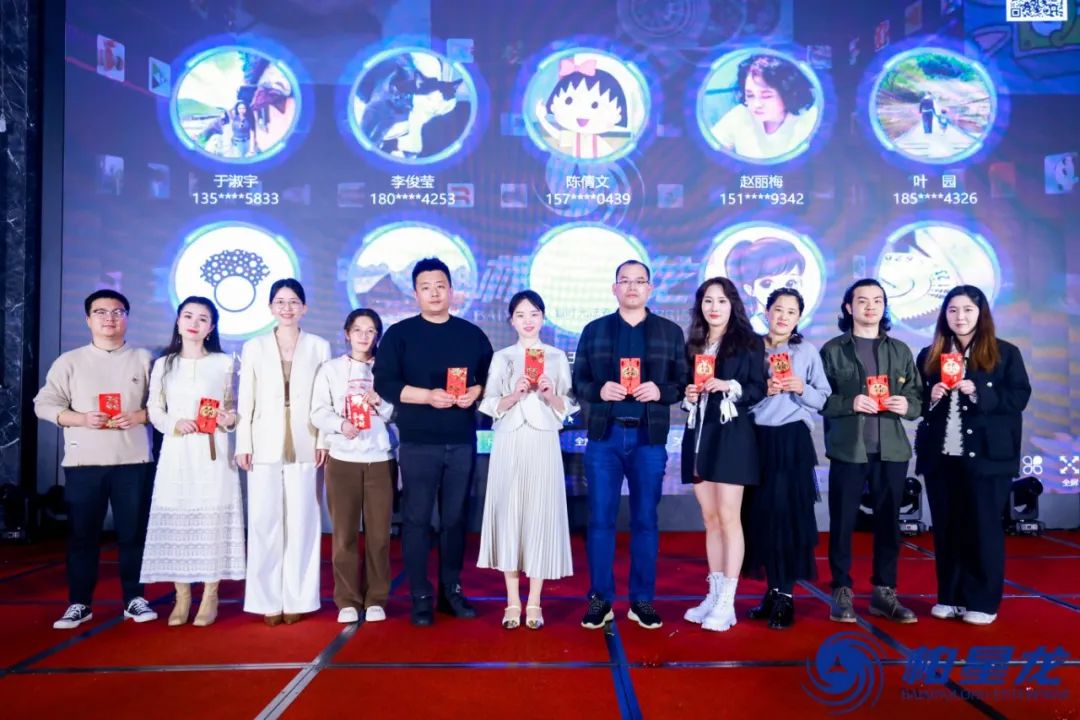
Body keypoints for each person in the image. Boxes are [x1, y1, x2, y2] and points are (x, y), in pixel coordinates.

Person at [374, 257, 493, 626]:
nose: (434, 293)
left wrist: (476, 391)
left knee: (455, 519)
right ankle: (420, 595)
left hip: (461, 440)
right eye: (426, 287)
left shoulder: (471, 334)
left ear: (451, 290)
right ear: (415, 294)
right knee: (417, 519)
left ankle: (451, 590)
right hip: (418, 442)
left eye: (440, 286)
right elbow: (384, 383)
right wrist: (427, 396)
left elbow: (491, 378)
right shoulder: (400, 334)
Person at [34, 289, 158, 629]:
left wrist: (140, 416)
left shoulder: (144, 359)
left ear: (127, 318)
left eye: (117, 312)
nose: (109, 318)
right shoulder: (70, 361)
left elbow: (165, 406)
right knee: (82, 535)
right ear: (88, 319)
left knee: (133, 533)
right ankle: (79, 603)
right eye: (101, 312)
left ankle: (135, 598)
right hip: (84, 464)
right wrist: (80, 418)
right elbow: (43, 404)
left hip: (133, 461)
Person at [573, 260, 687, 630]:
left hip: (648, 438)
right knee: (600, 520)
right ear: (614, 288)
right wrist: (599, 390)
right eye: (625, 281)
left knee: (645, 520)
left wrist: (660, 391)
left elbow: (683, 383)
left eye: (640, 281)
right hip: (604, 437)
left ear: (650, 289)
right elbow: (579, 381)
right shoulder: (595, 330)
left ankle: (642, 600)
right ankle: (600, 599)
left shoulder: (669, 332)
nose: (632, 287)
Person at [915, 286, 1031, 625]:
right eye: (952, 310)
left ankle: (982, 601)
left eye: (967, 309)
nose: (960, 317)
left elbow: (1019, 397)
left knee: (982, 527)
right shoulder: (930, 355)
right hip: (942, 455)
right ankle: (950, 597)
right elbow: (915, 402)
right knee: (947, 527)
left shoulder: (1005, 353)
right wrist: (931, 396)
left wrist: (979, 392)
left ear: (981, 314)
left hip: (987, 456)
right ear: (944, 315)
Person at [820, 279, 922, 624]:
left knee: (889, 524)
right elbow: (821, 399)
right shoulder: (833, 350)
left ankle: (884, 592)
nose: (870, 306)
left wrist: (907, 405)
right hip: (849, 450)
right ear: (849, 308)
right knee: (843, 523)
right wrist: (849, 402)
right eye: (862, 301)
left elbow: (917, 398)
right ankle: (841, 592)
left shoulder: (900, 350)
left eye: (878, 300)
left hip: (892, 451)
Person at [140, 297, 245, 627]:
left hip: (213, 452)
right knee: (179, 519)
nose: (194, 323)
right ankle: (182, 595)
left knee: (212, 520)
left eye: (202, 318)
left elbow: (235, 408)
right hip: (177, 450)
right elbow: (154, 409)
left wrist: (229, 418)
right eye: (188, 316)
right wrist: (174, 423)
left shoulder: (225, 362)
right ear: (178, 321)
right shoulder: (164, 364)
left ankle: (211, 595)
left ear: (211, 327)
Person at [478, 290, 576, 631]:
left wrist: (550, 395)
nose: (528, 320)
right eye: (521, 315)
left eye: (534, 314)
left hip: (543, 439)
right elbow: (488, 403)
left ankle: (534, 600)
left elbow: (569, 404)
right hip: (509, 438)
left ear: (543, 318)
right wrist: (512, 395)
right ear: (512, 321)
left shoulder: (556, 357)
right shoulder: (501, 358)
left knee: (539, 514)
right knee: (510, 514)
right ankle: (512, 601)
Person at [236, 279, 331, 626]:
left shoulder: (319, 346)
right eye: (280, 301)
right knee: (263, 521)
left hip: (306, 440)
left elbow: (326, 398)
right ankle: (266, 600)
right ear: (270, 307)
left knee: (303, 521)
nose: (287, 308)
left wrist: (323, 440)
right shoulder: (254, 346)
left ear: (304, 307)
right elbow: (246, 398)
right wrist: (243, 443)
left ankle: (299, 597)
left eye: (293, 302)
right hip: (263, 441)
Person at [680, 278, 765, 632]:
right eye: (708, 301)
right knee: (710, 518)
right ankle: (713, 595)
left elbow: (758, 388)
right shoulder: (694, 343)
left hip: (731, 436)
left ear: (733, 305)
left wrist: (729, 385)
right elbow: (684, 386)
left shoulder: (749, 342)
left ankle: (728, 602)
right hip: (699, 435)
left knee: (730, 517)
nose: (714, 308)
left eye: (721, 301)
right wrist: (688, 393)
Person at [743, 289, 831, 629]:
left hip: (791, 440)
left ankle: (786, 595)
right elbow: (738, 396)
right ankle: (772, 590)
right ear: (766, 311)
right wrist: (762, 390)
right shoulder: (750, 348)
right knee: (759, 517)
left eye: (791, 312)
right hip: (755, 439)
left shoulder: (805, 351)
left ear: (799, 317)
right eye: (778, 309)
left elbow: (823, 398)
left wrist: (800, 388)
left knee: (786, 517)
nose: (783, 317)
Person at [311, 309, 397, 624]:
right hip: (343, 459)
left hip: (380, 459)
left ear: (377, 336)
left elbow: (397, 412)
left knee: (379, 536)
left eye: (370, 330)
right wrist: (340, 425)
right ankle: (347, 599)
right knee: (344, 534)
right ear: (347, 333)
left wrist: (379, 402)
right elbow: (318, 411)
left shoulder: (387, 370)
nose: (363, 336)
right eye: (358, 330)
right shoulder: (331, 369)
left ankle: (376, 598)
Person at [710, 54, 818, 160]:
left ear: (788, 94)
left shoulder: (811, 120)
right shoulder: (740, 114)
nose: (756, 104)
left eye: (766, 96)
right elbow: (710, 150)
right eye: (750, 95)